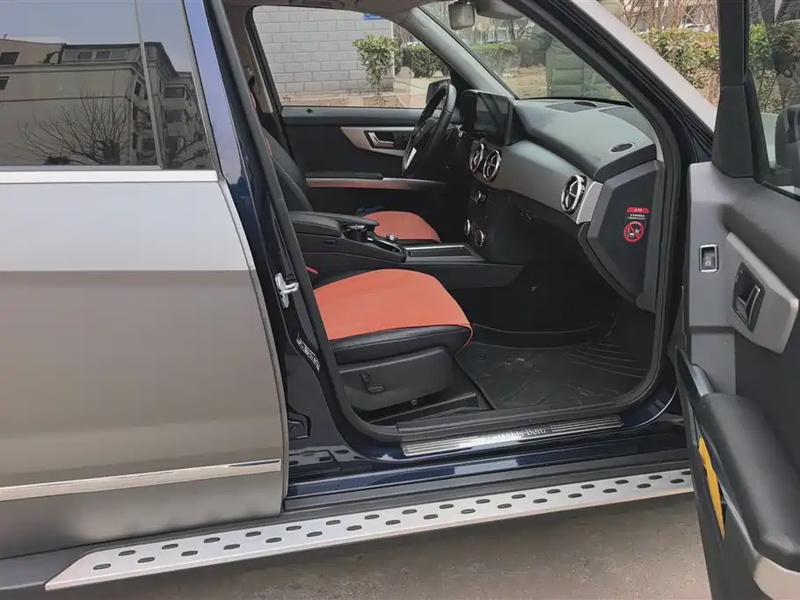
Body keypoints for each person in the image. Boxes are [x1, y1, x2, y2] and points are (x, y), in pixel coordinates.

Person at [529, 0, 625, 99]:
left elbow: (622, 51)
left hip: (597, 93)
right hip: (563, 91)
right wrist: (555, 64)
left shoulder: (613, 8)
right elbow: (538, 45)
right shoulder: (557, 4)